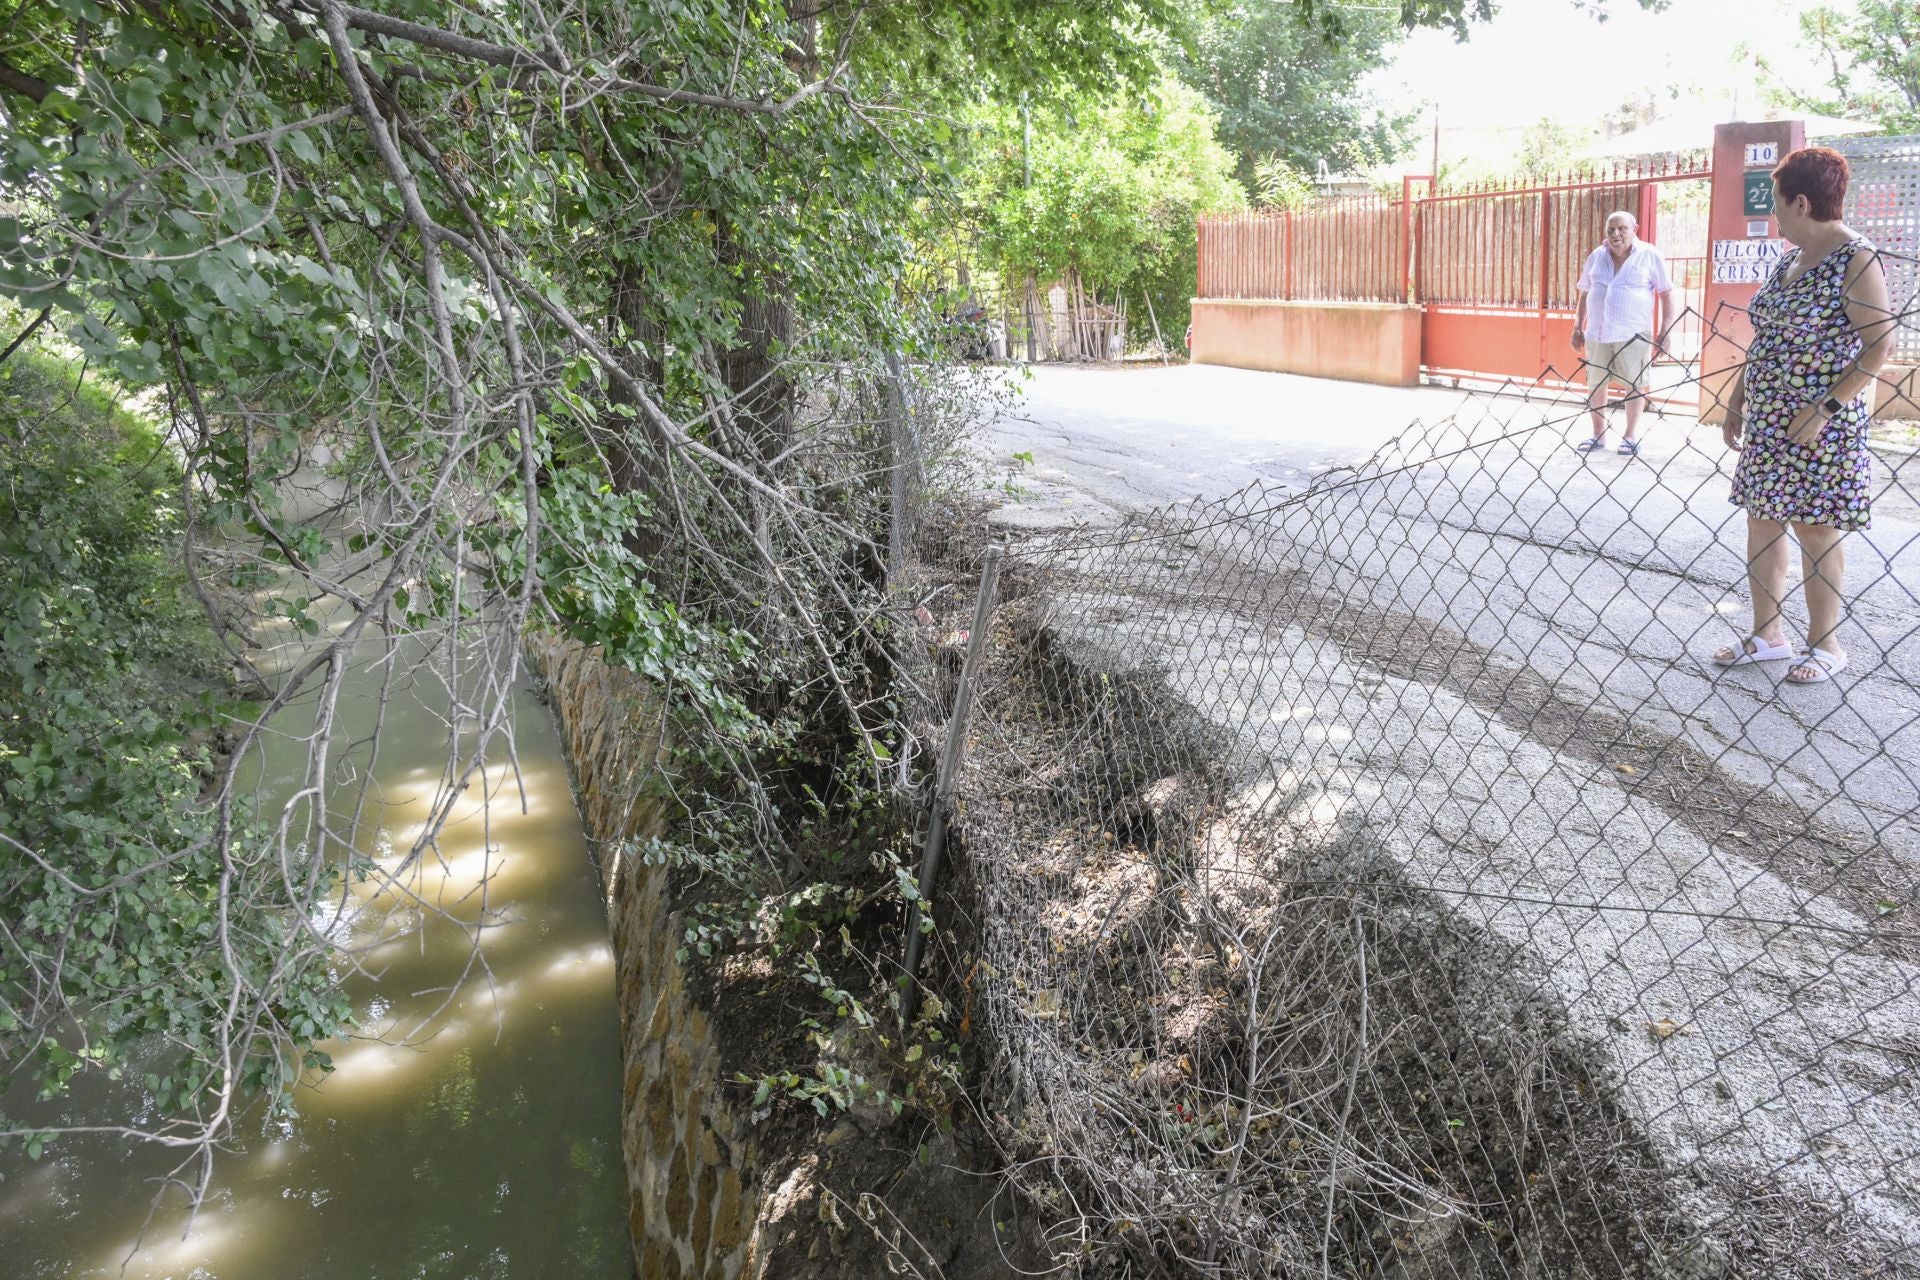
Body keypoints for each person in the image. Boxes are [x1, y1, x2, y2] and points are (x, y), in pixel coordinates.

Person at [1712, 146, 1895, 685]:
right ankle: (1767, 634)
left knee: (1815, 529)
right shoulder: (1788, 260)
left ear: (1801, 202)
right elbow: (1765, 339)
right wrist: (1736, 398)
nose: (1773, 213)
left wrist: (1826, 408)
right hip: (1769, 420)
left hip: (1822, 426)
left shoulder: (1855, 257)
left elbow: (1879, 346)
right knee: (1762, 521)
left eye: (1776, 202)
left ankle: (1825, 645)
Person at [1570, 211, 1677, 456]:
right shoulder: (1597, 256)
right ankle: (1598, 434)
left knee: (1635, 384)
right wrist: (1577, 326)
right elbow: (1585, 291)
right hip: (1597, 332)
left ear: (1634, 229)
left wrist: (1665, 331)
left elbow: (1667, 293)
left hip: (1633, 333)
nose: (1616, 234)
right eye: (1611, 230)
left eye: (1621, 229)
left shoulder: (1649, 255)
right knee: (1596, 383)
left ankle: (1629, 436)